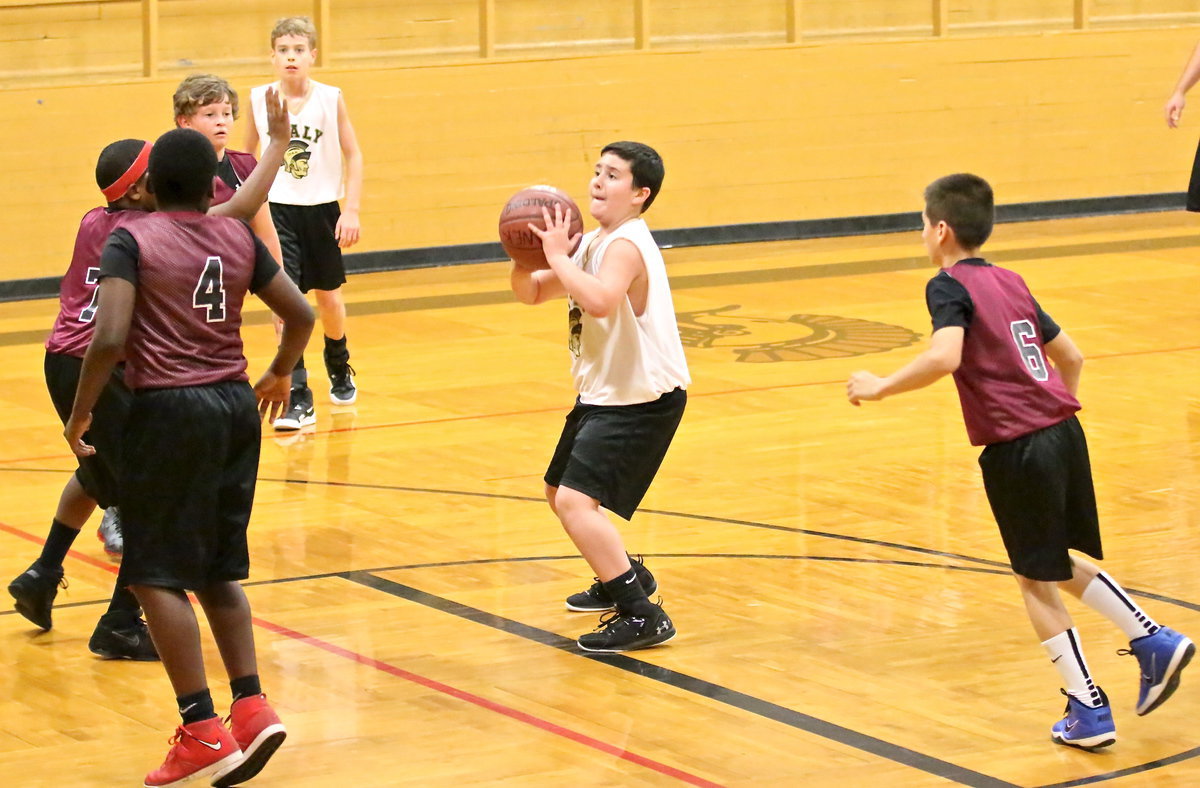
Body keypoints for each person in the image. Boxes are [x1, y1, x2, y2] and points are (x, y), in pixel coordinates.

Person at [846, 173, 1194, 750]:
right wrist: (1055, 404)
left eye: (921, 226)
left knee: (1034, 580)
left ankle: (1092, 705)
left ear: (940, 229)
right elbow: (1071, 355)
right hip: (1063, 429)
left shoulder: (946, 284)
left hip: (1019, 445)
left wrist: (880, 386)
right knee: (1050, 561)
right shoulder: (1010, 279)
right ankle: (1148, 640)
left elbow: (946, 355)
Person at [64, 127, 312, 787]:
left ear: (145, 187)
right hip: (235, 409)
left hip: (168, 411)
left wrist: (82, 410)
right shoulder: (233, 235)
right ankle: (252, 704)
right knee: (215, 565)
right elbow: (301, 312)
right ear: (210, 187)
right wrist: (281, 371)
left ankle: (201, 727)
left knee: (152, 571)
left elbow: (110, 335)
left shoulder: (130, 239)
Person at [7, 94, 289, 659]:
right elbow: (240, 209)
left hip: (61, 360)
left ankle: (43, 572)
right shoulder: (153, 229)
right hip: (103, 365)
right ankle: (119, 621)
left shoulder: (97, 218)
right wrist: (277, 146)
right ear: (139, 191)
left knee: (102, 474)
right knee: (153, 497)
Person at [511, 141, 689, 652]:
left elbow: (602, 301)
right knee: (557, 493)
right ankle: (626, 574)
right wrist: (523, 258)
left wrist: (555, 257)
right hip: (605, 393)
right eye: (596, 171)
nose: (597, 182)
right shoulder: (593, 241)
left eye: (612, 176)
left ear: (639, 194)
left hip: (643, 399)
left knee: (574, 501)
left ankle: (641, 615)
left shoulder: (626, 245)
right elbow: (532, 291)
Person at [245, 15, 365, 430]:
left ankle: (338, 359)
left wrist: (351, 209)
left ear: (313, 55)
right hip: (276, 210)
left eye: (298, 50)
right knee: (285, 304)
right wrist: (244, 213)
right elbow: (245, 159)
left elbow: (355, 155)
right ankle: (298, 392)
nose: (291, 57)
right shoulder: (259, 98)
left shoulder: (330, 98)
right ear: (272, 56)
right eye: (283, 50)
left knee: (329, 300)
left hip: (322, 209)